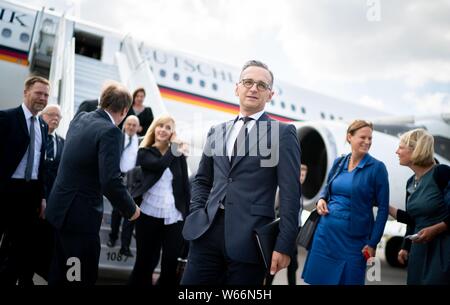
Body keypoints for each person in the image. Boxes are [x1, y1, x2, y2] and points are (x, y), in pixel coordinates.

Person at [181, 60, 301, 285]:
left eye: (261, 85)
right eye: (248, 82)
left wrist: (284, 244)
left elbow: (290, 194)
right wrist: (198, 211)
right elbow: (202, 180)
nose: (254, 88)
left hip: (250, 240)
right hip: (206, 233)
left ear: (270, 94)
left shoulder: (282, 133)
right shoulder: (217, 131)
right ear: (237, 88)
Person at [45, 82, 140, 286]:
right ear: (124, 111)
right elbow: (110, 181)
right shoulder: (111, 132)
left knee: (58, 273)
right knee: (78, 277)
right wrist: (130, 209)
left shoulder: (80, 119)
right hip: (79, 219)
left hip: (59, 211)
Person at [302, 120, 389, 285]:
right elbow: (326, 188)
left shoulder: (377, 168)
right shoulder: (339, 162)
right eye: (363, 137)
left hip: (354, 240)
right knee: (318, 280)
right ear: (350, 137)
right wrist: (321, 199)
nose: (367, 142)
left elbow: (383, 209)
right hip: (325, 234)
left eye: (370, 138)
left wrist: (373, 243)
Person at [128, 115, 190, 286]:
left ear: (172, 133)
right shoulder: (145, 152)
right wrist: (175, 147)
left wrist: (188, 213)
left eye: (168, 128)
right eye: (160, 126)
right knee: (145, 262)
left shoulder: (178, 156)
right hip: (148, 213)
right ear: (154, 129)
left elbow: (185, 185)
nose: (163, 130)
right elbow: (160, 165)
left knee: (170, 263)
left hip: (174, 215)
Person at [0, 76, 49, 286]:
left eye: (46, 95)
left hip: (29, 194)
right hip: (6, 189)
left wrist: (42, 197)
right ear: (26, 92)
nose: (43, 98)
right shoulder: (6, 118)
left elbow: (41, 164)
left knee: (20, 246)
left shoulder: (43, 126)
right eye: (39, 93)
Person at [389, 128, 450, 285]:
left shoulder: (442, 173)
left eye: (401, 147)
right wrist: (405, 246)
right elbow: (412, 220)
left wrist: (435, 229)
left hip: (443, 249)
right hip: (419, 251)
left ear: (416, 149)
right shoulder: (410, 183)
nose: (397, 151)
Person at [35, 104, 65, 280]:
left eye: (58, 116)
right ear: (42, 116)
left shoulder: (62, 142)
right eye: (51, 114)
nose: (55, 118)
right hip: (34, 196)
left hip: (54, 201)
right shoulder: (35, 137)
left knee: (48, 240)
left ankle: (43, 272)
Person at [266, 164, 307, 285]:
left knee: (292, 265)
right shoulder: (288, 190)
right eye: (301, 174)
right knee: (285, 263)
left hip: (295, 230)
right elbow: (277, 208)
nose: (302, 177)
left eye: (304, 175)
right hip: (285, 230)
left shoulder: (300, 190)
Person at [107, 115, 141, 257]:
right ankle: (113, 236)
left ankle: (125, 246)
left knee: (131, 211)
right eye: (129, 124)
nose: (131, 127)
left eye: (134, 125)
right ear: (124, 125)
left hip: (133, 180)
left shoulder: (141, 141)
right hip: (119, 177)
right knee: (116, 211)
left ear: (138, 127)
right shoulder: (117, 137)